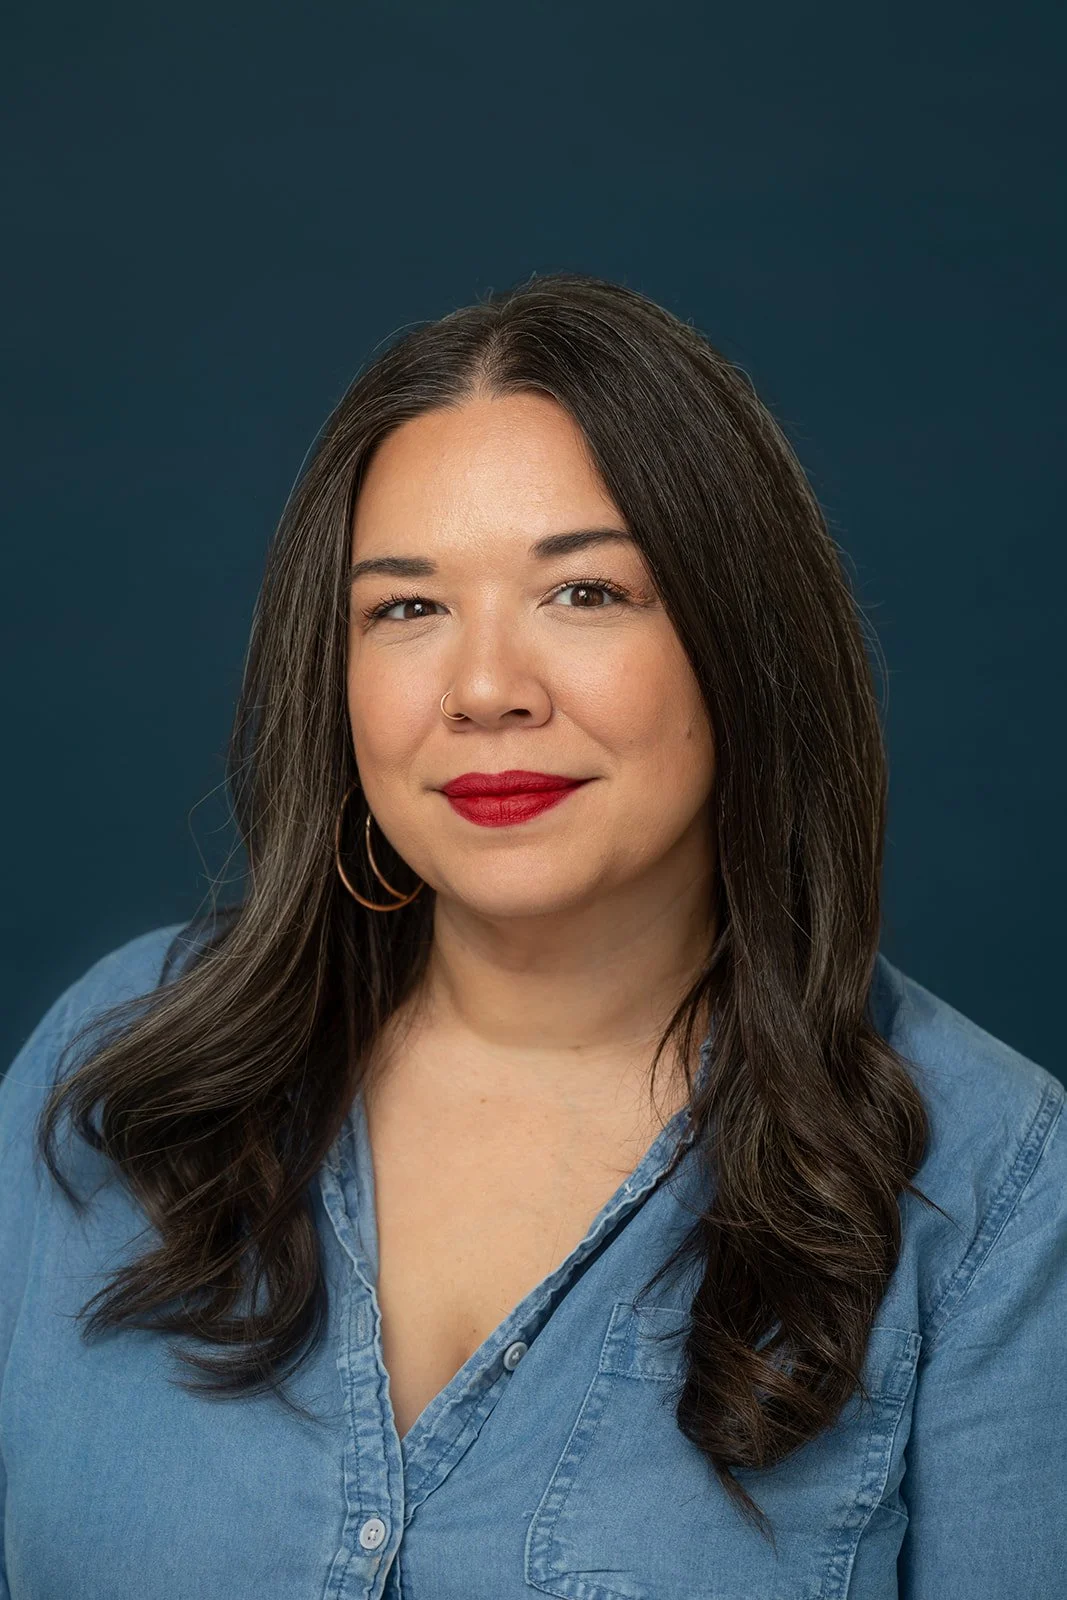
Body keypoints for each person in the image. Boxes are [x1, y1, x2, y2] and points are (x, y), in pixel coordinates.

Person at [1, 272, 1063, 1600]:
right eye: (406, 608)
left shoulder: (995, 1186)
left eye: (584, 594)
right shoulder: (114, 1069)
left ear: (741, 641)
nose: (487, 689)